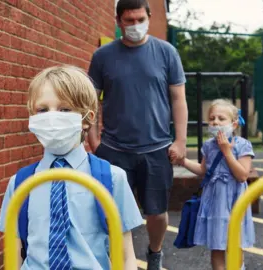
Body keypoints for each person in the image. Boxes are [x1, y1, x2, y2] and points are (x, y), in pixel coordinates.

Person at [0, 65, 144, 270]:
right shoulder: (20, 183)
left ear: (88, 118)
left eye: (65, 109)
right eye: (42, 110)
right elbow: (13, 255)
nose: (52, 117)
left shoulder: (111, 178)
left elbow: (126, 256)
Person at [87, 0, 188, 268]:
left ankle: (154, 253)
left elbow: (178, 99)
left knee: (157, 213)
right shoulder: (103, 56)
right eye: (128, 21)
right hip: (114, 149)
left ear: (149, 18)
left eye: (139, 19)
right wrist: (93, 140)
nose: (134, 26)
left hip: (157, 150)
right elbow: (91, 100)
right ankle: (118, 259)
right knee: (112, 212)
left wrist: (180, 141)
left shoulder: (166, 52)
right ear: (118, 22)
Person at [177, 99, 256, 270]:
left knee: (235, 244)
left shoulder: (242, 145)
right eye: (212, 118)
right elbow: (204, 170)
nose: (216, 122)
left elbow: (242, 175)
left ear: (234, 124)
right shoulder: (208, 146)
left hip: (235, 200)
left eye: (221, 118)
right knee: (217, 245)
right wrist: (183, 162)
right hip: (214, 202)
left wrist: (227, 151)